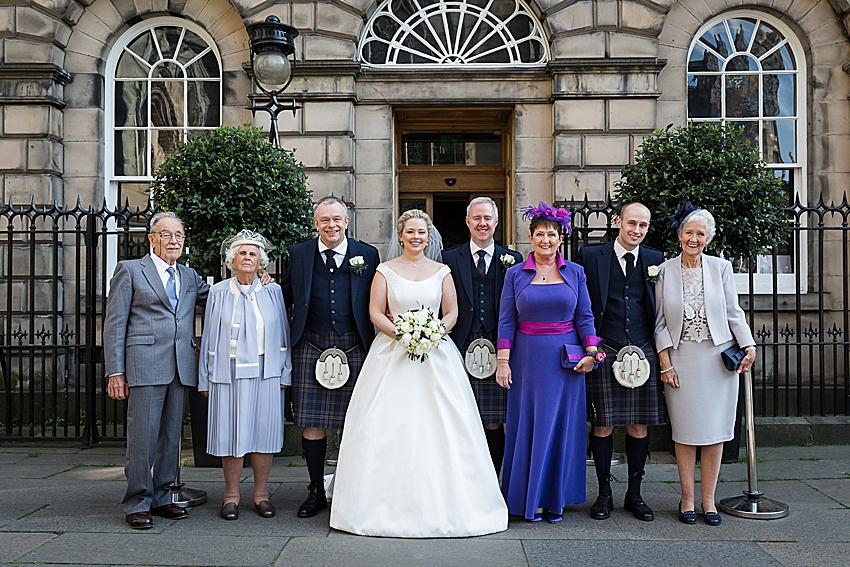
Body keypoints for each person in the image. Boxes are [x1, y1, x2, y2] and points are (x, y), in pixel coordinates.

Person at [329, 209, 508, 538]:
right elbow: (373, 311)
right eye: (410, 232)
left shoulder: (442, 271)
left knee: (445, 423)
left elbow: (451, 311)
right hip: (391, 352)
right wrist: (403, 334)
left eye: (421, 233)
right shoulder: (384, 270)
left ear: (429, 237)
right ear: (400, 236)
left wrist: (433, 333)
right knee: (385, 424)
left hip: (437, 353)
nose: (416, 237)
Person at [496, 202, 602, 523]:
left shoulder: (576, 273)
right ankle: (531, 499)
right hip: (527, 361)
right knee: (529, 426)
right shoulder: (515, 274)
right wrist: (503, 361)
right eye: (540, 233)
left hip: (565, 362)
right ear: (530, 238)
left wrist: (592, 352)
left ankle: (555, 498)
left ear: (561, 238)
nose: (546, 239)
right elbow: (505, 321)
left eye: (552, 234)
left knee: (560, 427)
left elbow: (584, 317)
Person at [103, 212, 210, 529]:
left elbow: (221, 297)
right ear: (151, 239)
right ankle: (137, 502)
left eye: (178, 234)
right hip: (144, 365)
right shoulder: (131, 270)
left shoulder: (189, 277)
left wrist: (256, 281)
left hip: (180, 366)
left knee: (171, 439)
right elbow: (115, 324)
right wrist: (115, 371)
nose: (174, 240)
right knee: (142, 439)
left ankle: (163, 497)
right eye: (166, 234)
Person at [654, 203, 756, 526]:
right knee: (684, 431)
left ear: (708, 238)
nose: (694, 238)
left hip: (718, 360)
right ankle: (686, 498)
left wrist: (749, 344)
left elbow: (732, 311)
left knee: (715, 432)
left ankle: (708, 501)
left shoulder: (720, 268)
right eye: (689, 232)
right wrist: (664, 361)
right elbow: (658, 323)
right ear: (679, 235)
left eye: (700, 233)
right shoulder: (664, 269)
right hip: (682, 359)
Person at [281, 196, 380, 518]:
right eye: (324, 220)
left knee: (355, 423)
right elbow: (286, 295)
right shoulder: (299, 253)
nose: (331, 225)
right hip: (309, 345)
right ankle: (314, 490)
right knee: (312, 425)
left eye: (337, 219)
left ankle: (351, 489)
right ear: (315, 223)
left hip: (354, 346)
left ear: (347, 222)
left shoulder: (367, 255)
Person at [575, 202, 666, 521]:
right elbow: (580, 304)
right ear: (618, 222)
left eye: (643, 225)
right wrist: (588, 347)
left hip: (643, 350)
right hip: (605, 348)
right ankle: (603, 494)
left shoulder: (656, 260)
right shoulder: (590, 256)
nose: (637, 230)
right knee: (602, 424)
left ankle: (635, 494)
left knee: (639, 424)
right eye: (631, 223)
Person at [198, 230, 292, 521]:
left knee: (264, 433)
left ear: (261, 260)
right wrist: (205, 377)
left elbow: (283, 334)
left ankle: (261, 495)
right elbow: (209, 335)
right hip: (229, 372)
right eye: (242, 253)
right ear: (232, 259)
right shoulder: (218, 292)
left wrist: (285, 372)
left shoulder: (273, 291)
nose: (247, 257)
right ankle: (231, 496)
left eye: (253, 253)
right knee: (231, 433)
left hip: (267, 372)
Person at [442, 197, 521, 474]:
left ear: (496, 222)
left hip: (499, 349)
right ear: (467, 222)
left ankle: (492, 479)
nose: (482, 223)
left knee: (494, 420)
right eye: (476, 218)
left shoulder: (514, 260)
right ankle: (464, 480)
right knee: (460, 416)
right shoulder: (448, 258)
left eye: (487, 218)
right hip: (459, 346)